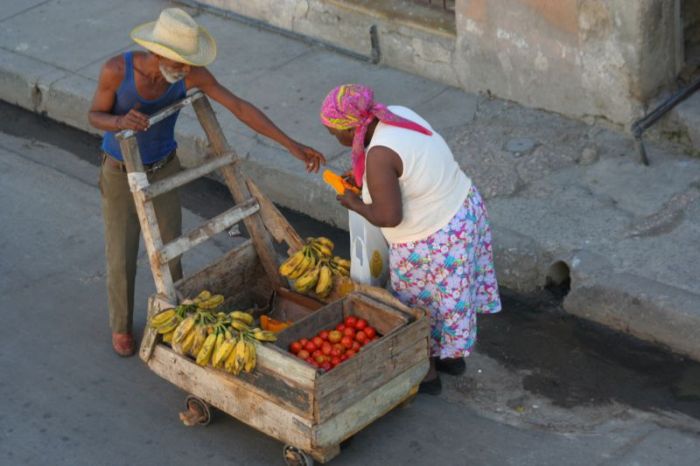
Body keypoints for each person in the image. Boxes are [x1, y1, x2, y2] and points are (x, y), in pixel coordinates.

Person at [88, 8, 326, 357]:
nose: (187, 69)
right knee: (121, 255)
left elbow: (239, 107)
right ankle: (121, 325)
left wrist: (291, 144)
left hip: (164, 167)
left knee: (171, 250)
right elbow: (94, 115)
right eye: (180, 61)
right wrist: (120, 120)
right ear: (157, 52)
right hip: (120, 170)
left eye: (189, 62)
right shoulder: (116, 70)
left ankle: (173, 317)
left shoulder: (191, 76)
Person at [320, 84, 501, 394]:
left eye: (334, 132)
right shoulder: (398, 115)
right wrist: (366, 186)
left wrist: (355, 203)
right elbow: (411, 169)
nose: (335, 139)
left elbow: (389, 217)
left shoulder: (378, 155)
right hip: (462, 213)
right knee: (450, 297)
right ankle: (452, 358)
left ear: (350, 128)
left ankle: (426, 375)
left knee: (418, 308)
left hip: (432, 241)